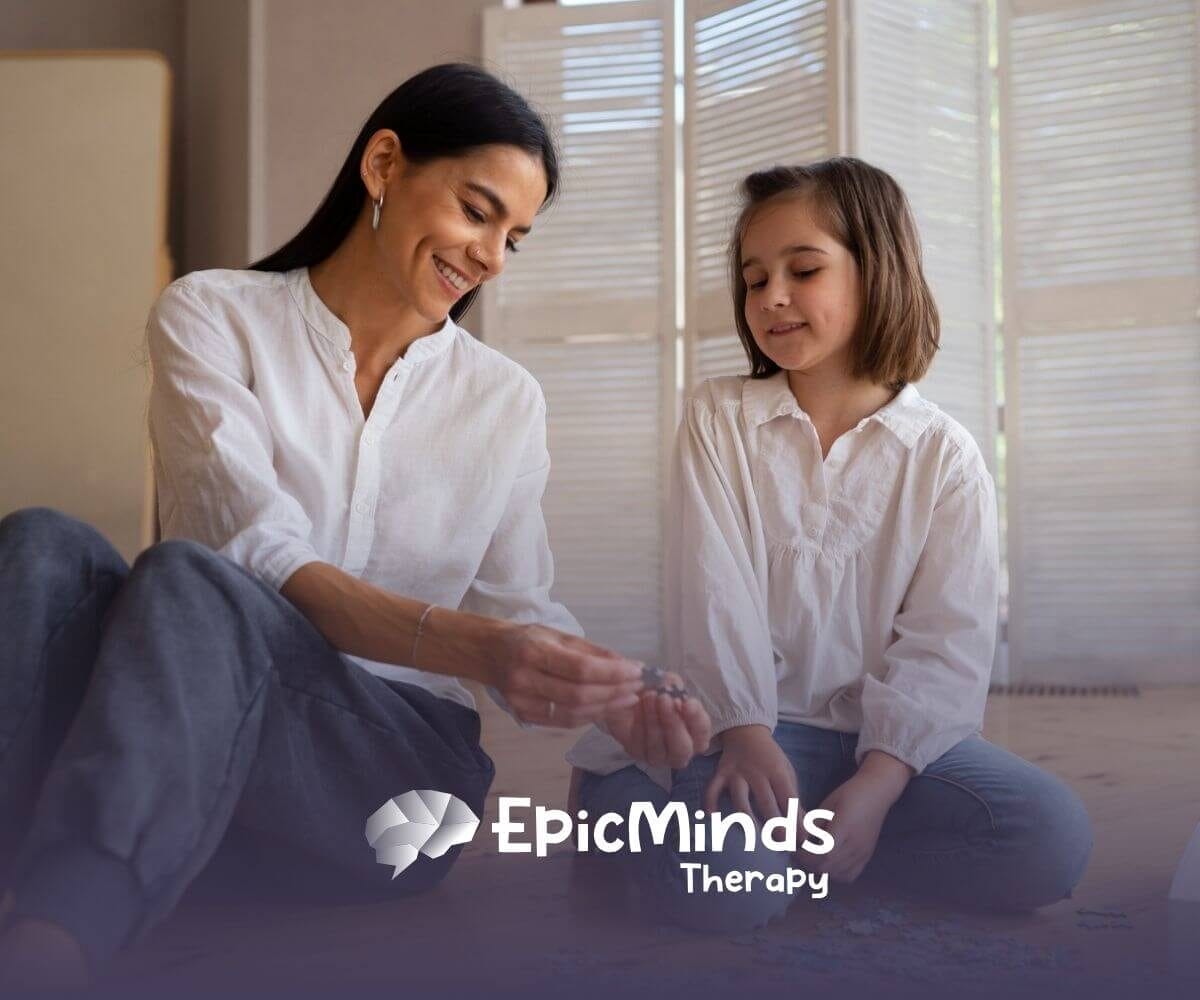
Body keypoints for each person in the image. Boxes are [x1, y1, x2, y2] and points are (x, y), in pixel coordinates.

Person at [0, 63, 710, 989]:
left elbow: (518, 605)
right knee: (44, 546)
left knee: (184, 578)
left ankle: (54, 935)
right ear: (383, 165)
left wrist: (615, 701)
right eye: (477, 211)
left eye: (514, 238)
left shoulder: (504, 401)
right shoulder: (213, 314)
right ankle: (73, 860)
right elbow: (259, 553)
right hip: (200, 735)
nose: (491, 257)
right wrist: (484, 647)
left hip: (388, 786)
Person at [568, 158, 1092, 932]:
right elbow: (713, 595)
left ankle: (821, 848)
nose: (771, 296)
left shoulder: (945, 457)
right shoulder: (720, 417)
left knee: (1049, 840)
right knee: (735, 893)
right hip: (734, 730)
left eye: (803, 270)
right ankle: (626, 808)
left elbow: (946, 643)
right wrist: (747, 737)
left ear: (877, 272)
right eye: (754, 279)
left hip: (882, 747)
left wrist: (877, 786)